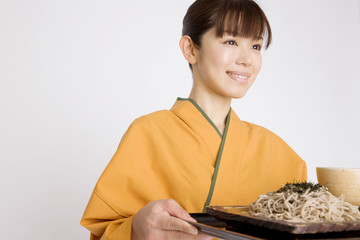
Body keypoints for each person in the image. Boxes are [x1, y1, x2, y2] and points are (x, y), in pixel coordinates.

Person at [80, 0, 307, 239]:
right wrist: (136, 227)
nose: (247, 59)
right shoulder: (147, 134)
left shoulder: (283, 156)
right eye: (231, 41)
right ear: (190, 49)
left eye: (256, 46)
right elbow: (107, 229)